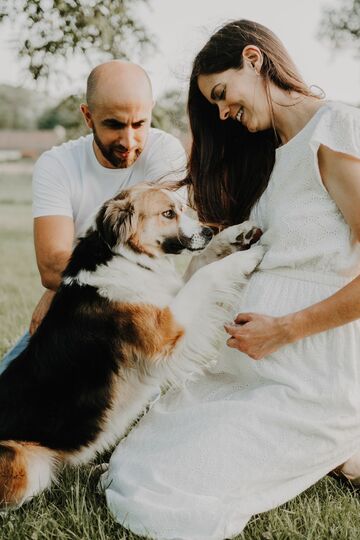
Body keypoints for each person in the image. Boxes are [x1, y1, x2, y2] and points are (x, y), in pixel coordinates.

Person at [99, 20, 360, 539]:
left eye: (223, 94)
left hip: (308, 370)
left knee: (162, 494)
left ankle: (342, 439)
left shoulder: (334, 130)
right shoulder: (271, 154)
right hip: (246, 365)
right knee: (134, 463)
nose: (222, 113)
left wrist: (285, 329)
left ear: (254, 59)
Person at [0, 60, 186, 374]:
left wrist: (67, 284)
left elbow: (155, 250)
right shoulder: (57, 165)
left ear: (151, 111)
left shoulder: (165, 152)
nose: (129, 141)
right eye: (114, 124)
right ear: (88, 116)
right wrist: (56, 286)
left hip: (141, 315)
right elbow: (50, 266)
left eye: (139, 124)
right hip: (79, 315)